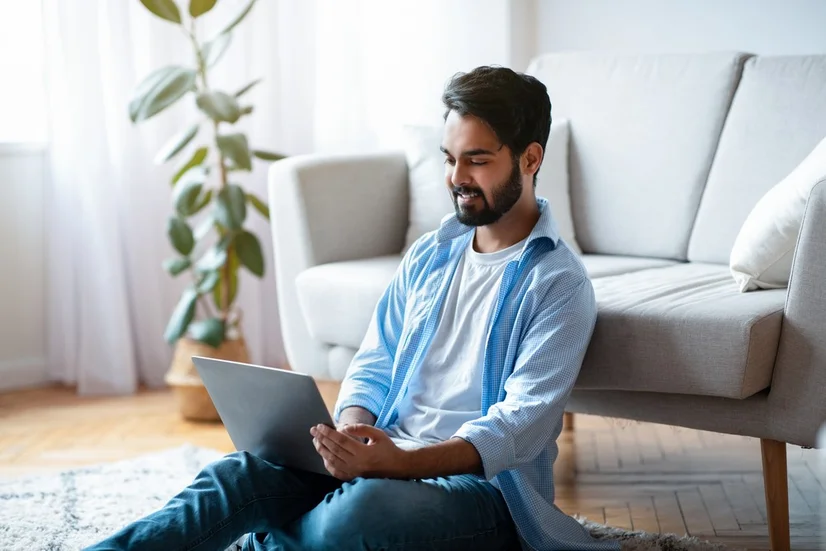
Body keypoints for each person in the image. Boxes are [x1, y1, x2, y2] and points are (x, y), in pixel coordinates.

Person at [86, 66, 619, 551]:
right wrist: (351, 432)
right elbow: (374, 359)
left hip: (480, 495)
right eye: (450, 158)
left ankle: (269, 542)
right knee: (241, 473)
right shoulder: (433, 254)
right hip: (380, 462)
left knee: (361, 513)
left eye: (477, 159)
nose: (457, 176)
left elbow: (518, 427)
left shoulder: (558, 283)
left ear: (530, 158)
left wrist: (400, 464)